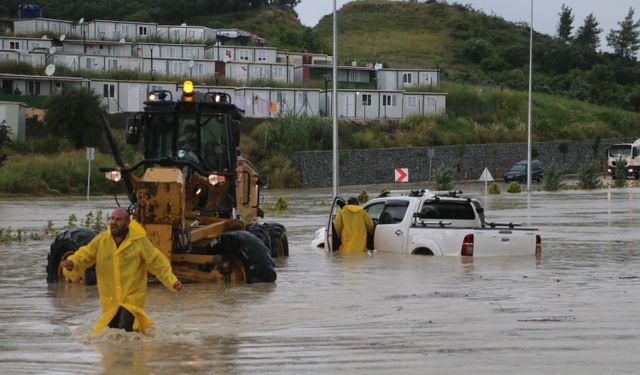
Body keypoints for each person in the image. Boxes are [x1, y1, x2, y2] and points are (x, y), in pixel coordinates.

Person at [61, 208, 183, 335]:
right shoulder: (101, 240)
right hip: (111, 302)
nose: (114, 222)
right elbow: (84, 255)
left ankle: (131, 353)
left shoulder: (139, 241)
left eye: (118, 220)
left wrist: (172, 281)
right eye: (112, 219)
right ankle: (129, 353)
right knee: (113, 333)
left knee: (125, 327)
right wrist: (72, 263)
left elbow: (157, 262)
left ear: (128, 223)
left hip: (132, 298)